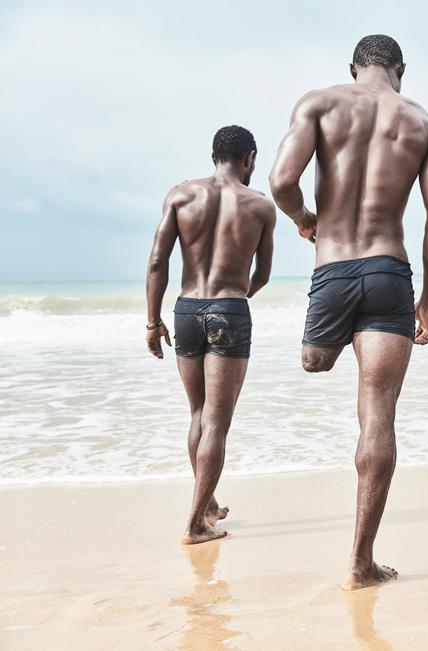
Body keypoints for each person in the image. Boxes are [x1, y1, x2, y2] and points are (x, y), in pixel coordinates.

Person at [268, 34, 428, 589]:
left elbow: (280, 181)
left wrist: (306, 219)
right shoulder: (426, 126)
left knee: (315, 362)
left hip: (333, 270)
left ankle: (322, 344)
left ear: (353, 68)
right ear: (401, 70)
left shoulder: (319, 104)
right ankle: (360, 562)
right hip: (389, 274)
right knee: (378, 412)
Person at [145, 125, 276, 545]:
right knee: (218, 422)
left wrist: (153, 321)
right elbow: (264, 274)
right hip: (230, 310)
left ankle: (208, 502)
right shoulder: (259, 206)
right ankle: (196, 523)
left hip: (185, 310)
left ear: (214, 155)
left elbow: (156, 261)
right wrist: (236, 297)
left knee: (199, 414)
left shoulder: (180, 195)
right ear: (250, 157)